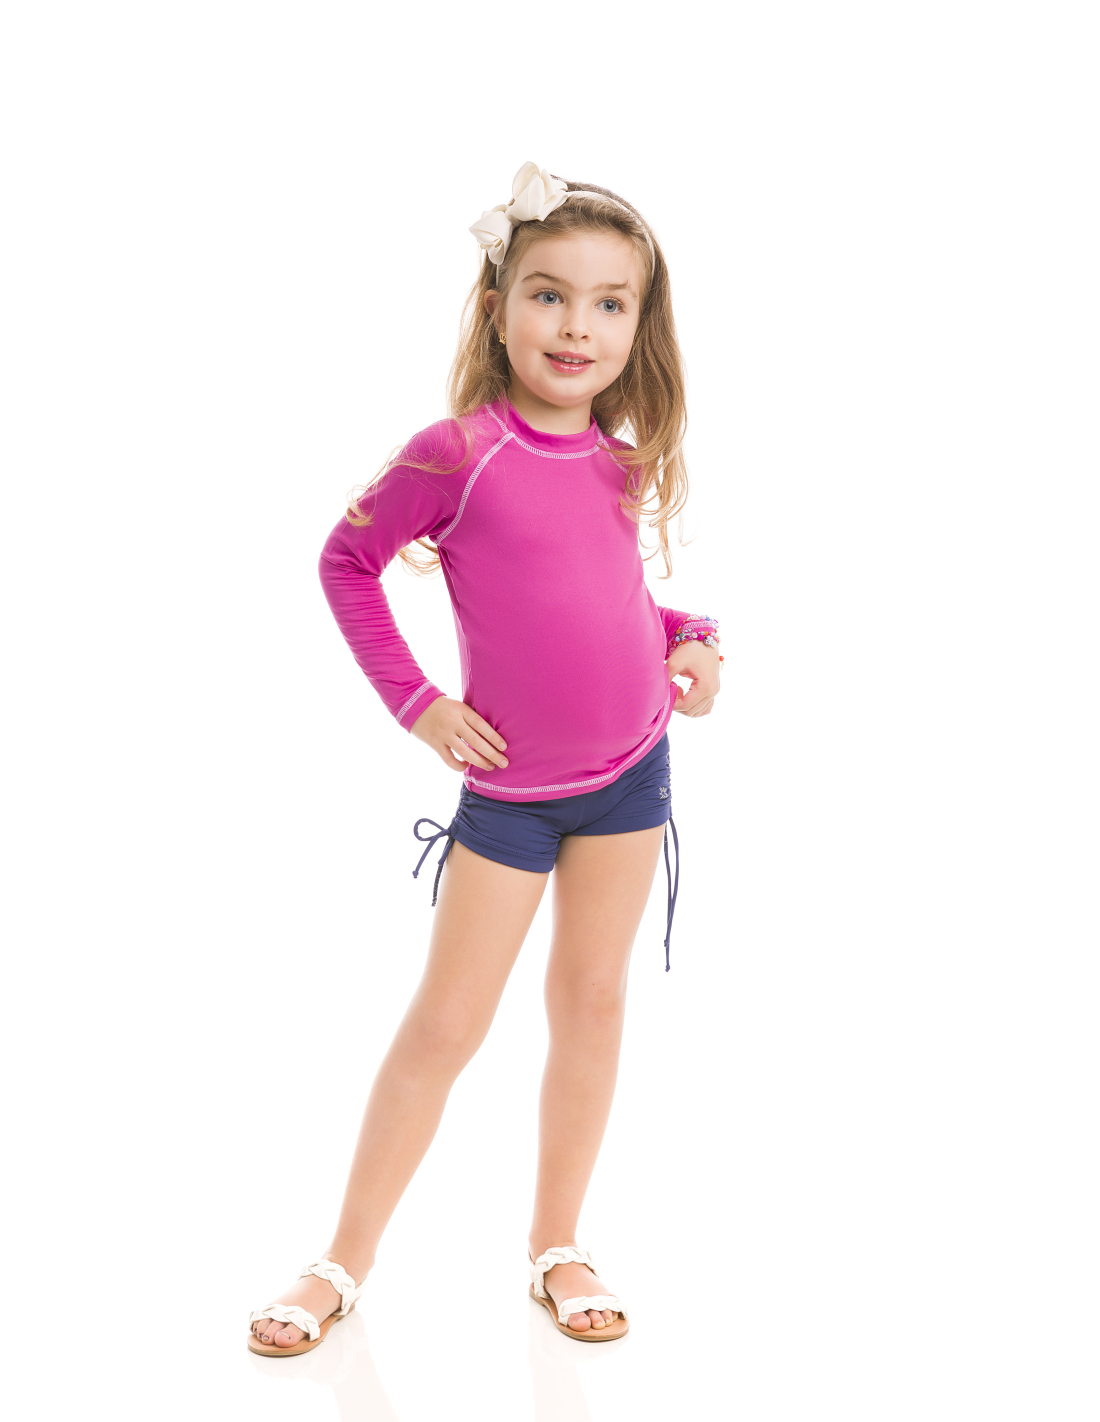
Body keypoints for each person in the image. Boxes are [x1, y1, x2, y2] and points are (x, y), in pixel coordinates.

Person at [249, 163, 722, 1353]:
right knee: (447, 1024)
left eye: (608, 303)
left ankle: (557, 1244)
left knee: (592, 1003)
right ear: (497, 305)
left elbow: (613, 606)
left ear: (638, 325)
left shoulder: (620, 462)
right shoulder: (456, 452)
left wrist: (695, 638)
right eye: (548, 295)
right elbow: (343, 564)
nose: (576, 326)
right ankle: (338, 1261)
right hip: (509, 797)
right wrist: (416, 703)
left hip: (632, 776)